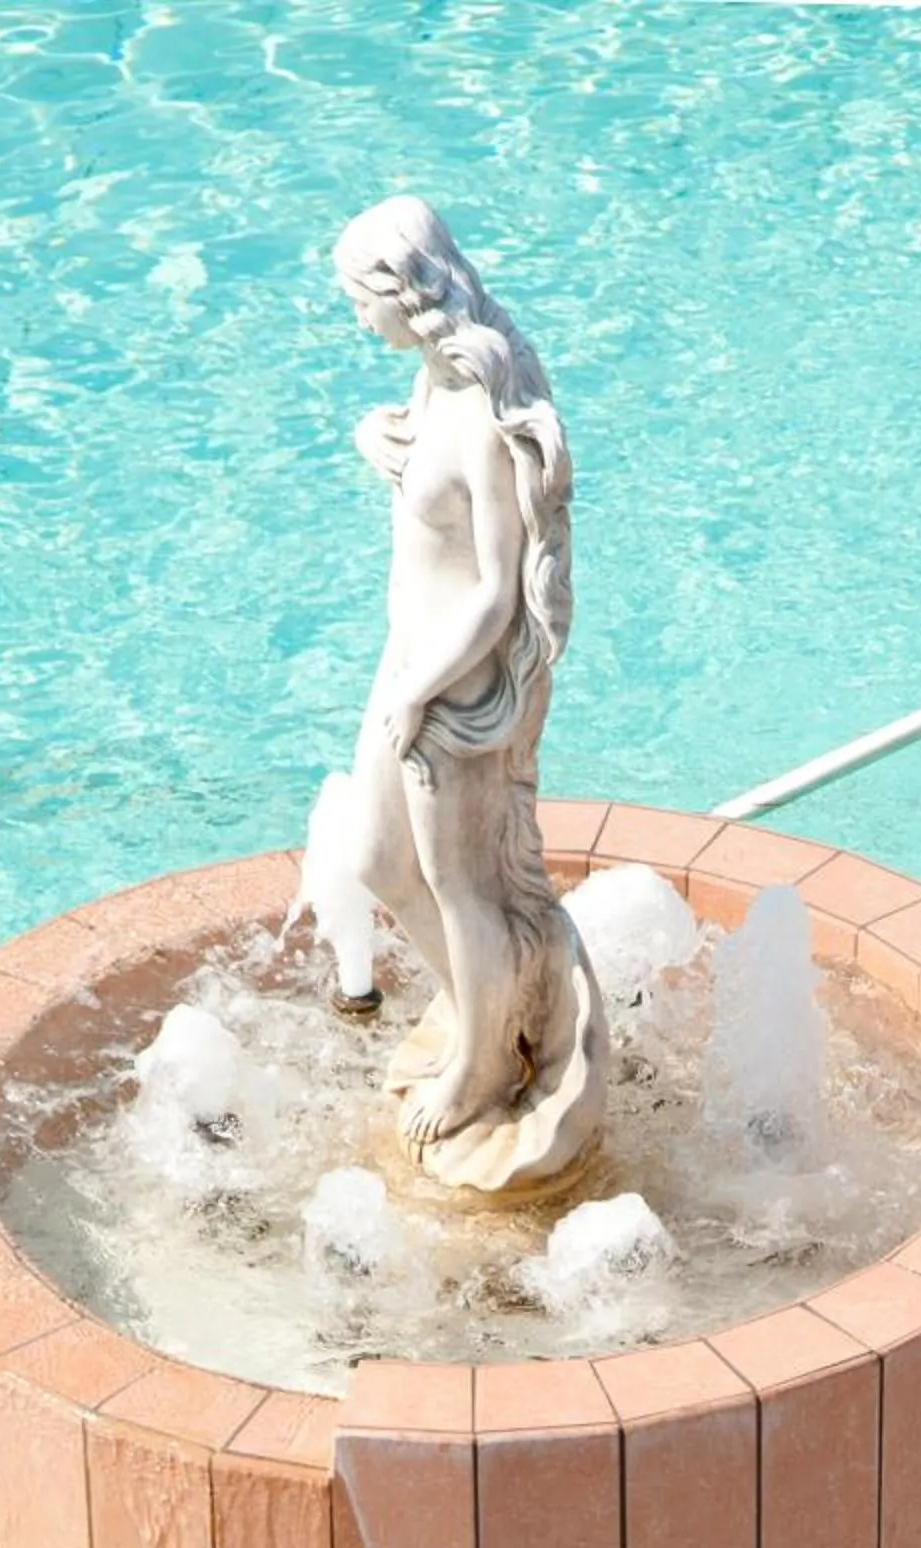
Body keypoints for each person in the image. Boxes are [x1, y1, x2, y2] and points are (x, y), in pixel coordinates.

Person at [330, 195, 602, 1176]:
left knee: (460, 887)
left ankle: (485, 1070)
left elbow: (499, 589)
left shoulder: (488, 417)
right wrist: (375, 438)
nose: (358, 320)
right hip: (404, 666)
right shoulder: (435, 383)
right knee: (375, 862)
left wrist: (424, 692)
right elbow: (414, 462)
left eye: (360, 301)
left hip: (454, 689)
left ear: (404, 292)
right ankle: (492, 1010)